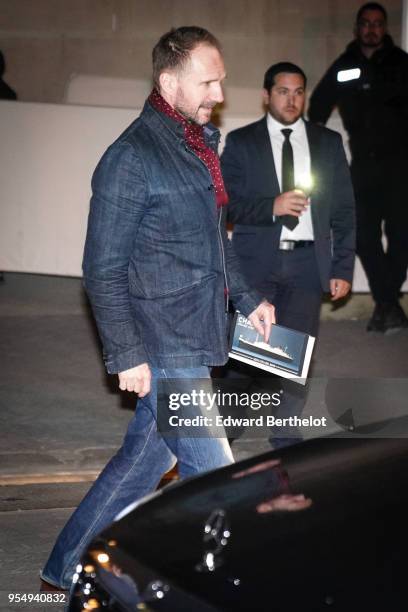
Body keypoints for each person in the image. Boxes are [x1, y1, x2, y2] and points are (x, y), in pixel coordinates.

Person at [40, 26, 274, 591]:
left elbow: (218, 240)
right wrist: (125, 352)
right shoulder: (131, 158)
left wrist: (247, 298)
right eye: (208, 81)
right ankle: (223, 590)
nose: (218, 93)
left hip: (197, 331)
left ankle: (66, 567)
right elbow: (102, 267)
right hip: (162, 340)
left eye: (220, 79)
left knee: (142, 465)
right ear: (169, 81)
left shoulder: (199, 145)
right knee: (216, 479)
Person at [221, 62, 355, 447]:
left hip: (307, 263)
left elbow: (345, 211)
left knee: (297, 354)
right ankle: (227, 425)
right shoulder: (243, 142)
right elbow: (226, 206)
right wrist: (272, 206)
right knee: (245, 352)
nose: (291, 99)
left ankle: (285, 432)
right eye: (283, 91)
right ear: (266, 95)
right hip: (256, 263)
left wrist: (342, 266)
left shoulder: (327, 143)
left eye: (298, 92)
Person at [308, 2, 408, 333]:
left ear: (385, 28)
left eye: (378, 24)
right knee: (362, 236)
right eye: (365, 24)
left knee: (402, 237)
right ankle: (389, 302)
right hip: (363, 166)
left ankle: (384, 302)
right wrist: (317, 146)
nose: (371, 29)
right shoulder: (345, 66)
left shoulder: (401, 64)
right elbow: (319, 103)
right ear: (357, 28)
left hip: (400, 166)